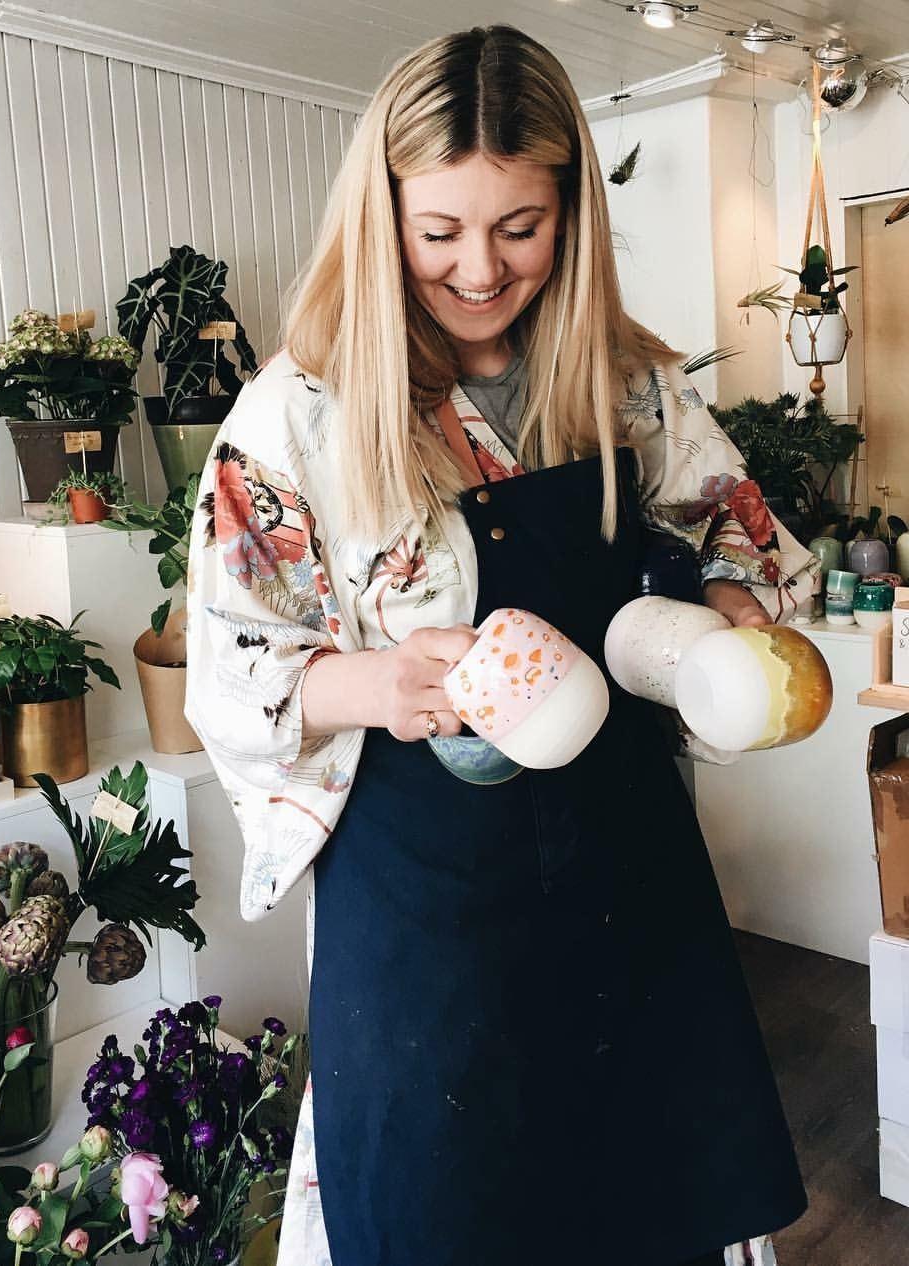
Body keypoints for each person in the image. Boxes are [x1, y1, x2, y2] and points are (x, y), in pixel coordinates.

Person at [185, 25, 817, 1266]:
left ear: (570, 213)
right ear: (384, 217)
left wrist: (732, 616)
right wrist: (374, 681)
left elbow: (743, 537)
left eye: (519, 229)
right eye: (440, 233)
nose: (481, 270)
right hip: (425, 913)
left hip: (624, 879)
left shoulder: (626, 381)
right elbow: (230, 664)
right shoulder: (298, 413)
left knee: (644, 1207)